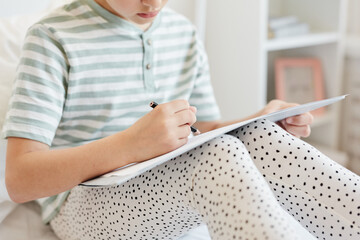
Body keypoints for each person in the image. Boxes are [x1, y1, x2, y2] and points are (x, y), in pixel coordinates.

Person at [2, 0, 359, 239]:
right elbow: (20, 179)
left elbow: (202, 130)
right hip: (80, 202)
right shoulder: (52, 38)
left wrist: (260, 119)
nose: (154, 3)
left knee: (261, 139)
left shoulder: (182, 32)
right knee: (215, 158)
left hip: (165, 176)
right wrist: (130, 145)